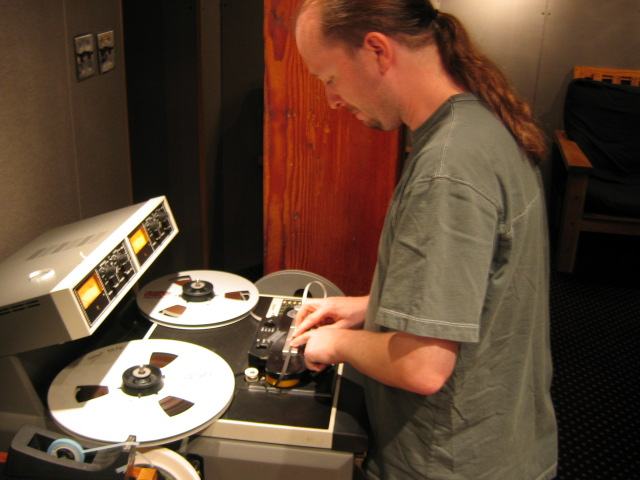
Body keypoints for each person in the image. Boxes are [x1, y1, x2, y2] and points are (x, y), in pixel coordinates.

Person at [289, 1, 558, 479]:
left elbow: (422, 366)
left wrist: (335, 344)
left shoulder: (446, 169)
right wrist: (368, 308)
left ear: (376, 50)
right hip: (507, 440)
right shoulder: (478, 122)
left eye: (329, 78)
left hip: (453, 459)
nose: (331, 100)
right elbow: (475, 290)